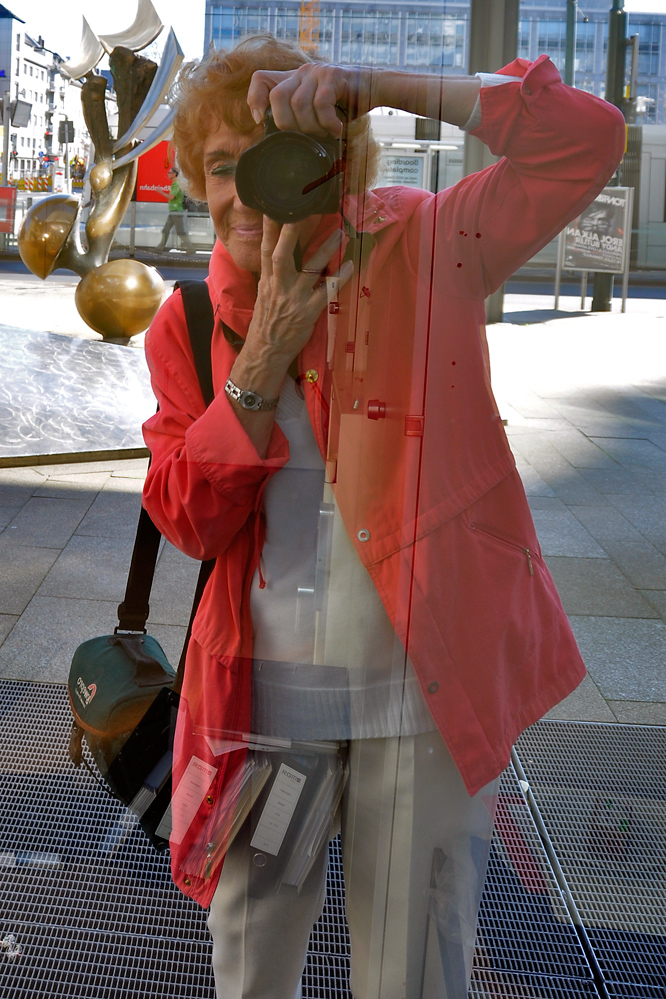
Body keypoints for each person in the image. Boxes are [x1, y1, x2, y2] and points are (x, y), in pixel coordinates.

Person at [141, 34, 624, 999]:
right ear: (197, 181)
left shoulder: (422, 244)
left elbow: (584, 140)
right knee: (253, 961)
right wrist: (262, 354)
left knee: (414, 968)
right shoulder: (187, 323)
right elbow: (187, 518)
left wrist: (377, 85)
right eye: (224, 168)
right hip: (262, 706)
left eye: (276, 157)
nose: (247, 193)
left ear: (334, 160)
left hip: (419, 696)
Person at [156, 166, 196, 253]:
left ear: (174, 174)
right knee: (165, 230)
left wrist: (160, 192)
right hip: (173, 211)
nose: (168, 174)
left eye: (170, 173)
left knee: (180, 232)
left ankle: (191, 249)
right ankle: (159, 249)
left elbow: (171, 197)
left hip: (176, 211)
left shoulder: (177, 184)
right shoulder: (175, 184)